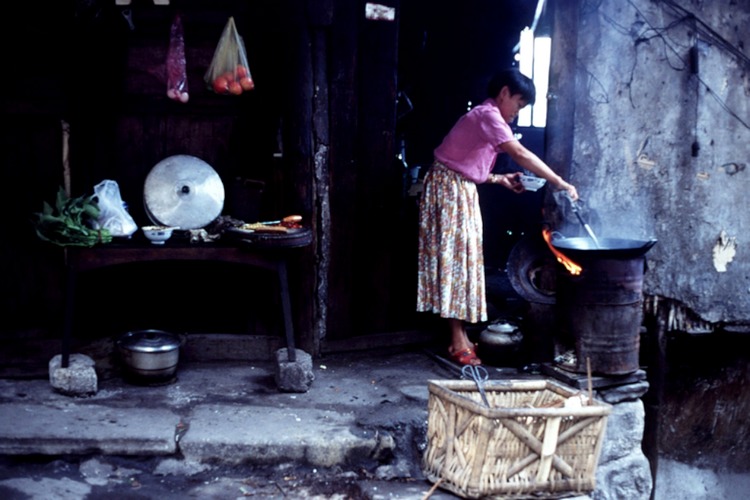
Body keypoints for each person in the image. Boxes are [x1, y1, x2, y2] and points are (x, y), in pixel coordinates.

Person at [416, 67, 578, 366]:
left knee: (462, 259)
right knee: (455, 260)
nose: (518, 112)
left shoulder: (486, 118)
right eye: (518, 103)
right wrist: (560, 182)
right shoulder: (487, 115)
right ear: (504, 93)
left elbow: (465, 165)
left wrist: (500, 179)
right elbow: (521, 154)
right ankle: (456, 340)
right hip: (448, 189)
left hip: (456, 187)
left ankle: (459, 335)